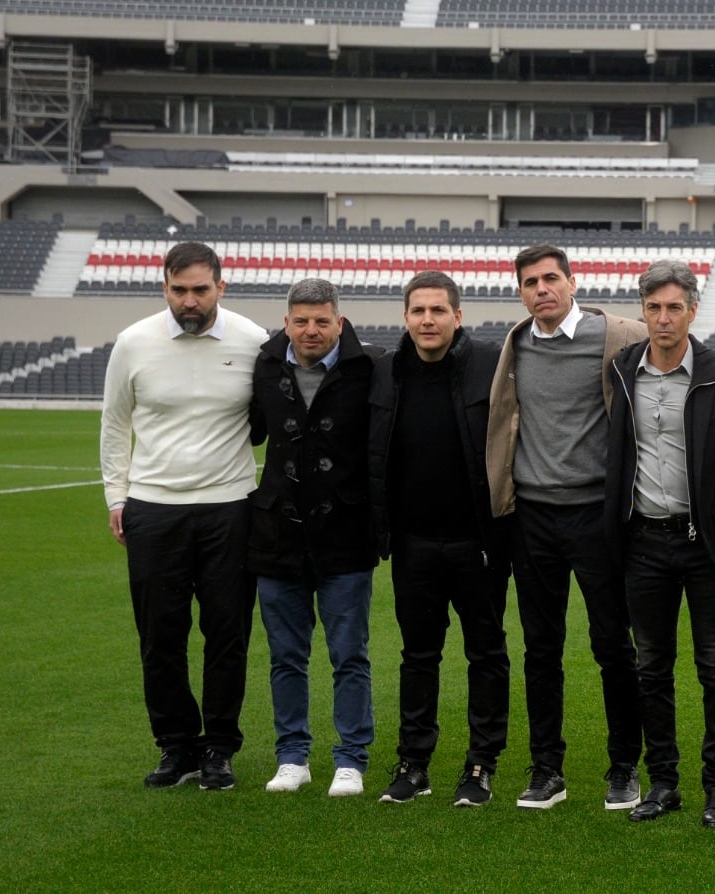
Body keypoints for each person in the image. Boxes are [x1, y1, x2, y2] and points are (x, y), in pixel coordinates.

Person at [486, 243, 649, 812]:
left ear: (573, 282)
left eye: (550, 278)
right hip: (531, 517)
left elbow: (690, 363)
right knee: (540, 649)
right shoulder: (515, 346)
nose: (541, 290)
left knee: (612, 645)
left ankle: (626, 765)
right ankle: (546, 768)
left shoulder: (618, 336)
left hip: (596, 517)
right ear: (520, 291)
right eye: (530, 282)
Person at [100, 241, 267, 791]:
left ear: (222, 285)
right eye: (179, 291)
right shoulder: (133, 343)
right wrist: (117, 498)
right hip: (153, 510)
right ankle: (177, 746)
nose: (189, 302)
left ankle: (219, 746)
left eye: (200, 290)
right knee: (160, 637)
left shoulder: (253, 341)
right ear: (164, 287)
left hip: (230, 507)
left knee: (227, 634)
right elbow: (115, 424)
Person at [603, 260, 715, 828]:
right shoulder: (621, 369)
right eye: (653, 308)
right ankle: (664, 782)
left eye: (674, 308)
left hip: (705, 542)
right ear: (642, 311)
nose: (663, 319)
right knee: (652, 669)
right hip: (643, 541)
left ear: (692, 311)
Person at [369, 271, 510, 807]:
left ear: (458, 316)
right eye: (418, 311)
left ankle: (480, 765)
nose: (427, 320)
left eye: (438, 310)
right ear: (405, 317)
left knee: (486, 654)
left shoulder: (493, 364)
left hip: (479, 542)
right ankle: (414, 763)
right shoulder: (385, 372)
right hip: (411, 543)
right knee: (418, 656)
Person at [248, 278, 381, 797]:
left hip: (345, 534)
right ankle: (292, 757)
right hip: (276, 533)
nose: (311, 330)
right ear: (287, 323)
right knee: (286, 654)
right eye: (301, 321)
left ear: (339, 322)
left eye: (322, 321)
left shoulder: (368, 368)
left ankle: (350, 758)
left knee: (349, 653)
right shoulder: (263, 366)